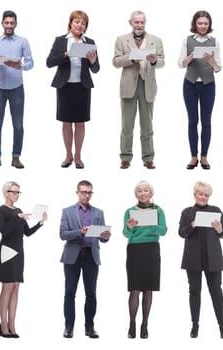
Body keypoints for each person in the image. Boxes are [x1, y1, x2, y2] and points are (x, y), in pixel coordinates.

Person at [47, 10, 100, 169]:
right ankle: (68, 155)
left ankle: (78, 156)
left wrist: (92, 61)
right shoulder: (61, 41)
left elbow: (96, 69)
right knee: (66, 122)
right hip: (65, 86)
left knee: (81, 123)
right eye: (77, 22)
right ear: (70, 23)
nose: (80, 25)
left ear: (86, 27)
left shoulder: (89, 42)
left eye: (83, 23)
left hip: (82, 87)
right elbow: (49, 62)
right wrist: (66, 55)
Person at [113, 11, 164, 170]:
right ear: (130, 23)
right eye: (136, 22)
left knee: (147, 125)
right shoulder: (121, 39)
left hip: (147, 85)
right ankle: (125, 157)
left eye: (142, 22)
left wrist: (155, 60)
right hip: (128, 86)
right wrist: (131, 58)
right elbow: (115, 61)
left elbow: (162, 61)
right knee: (127, 125)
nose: (139, 25)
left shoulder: (156, 40)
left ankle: (148, 158)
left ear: (145, 23)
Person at [60, 180, 111, 339]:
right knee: (70, 293)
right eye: (84, 192)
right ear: (77, 192)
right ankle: (69, 327)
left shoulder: (98, 213)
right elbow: (63, 234)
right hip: (72, 255)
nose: (87, 195)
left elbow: (102, 237)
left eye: (89, 192)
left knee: (91, 293)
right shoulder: (67, 211)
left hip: (91, 255)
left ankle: (90, 327)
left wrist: (106, 236)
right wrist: (80, 232)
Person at [0, 181, 46, 338]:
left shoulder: (19, 210)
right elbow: (4, 231)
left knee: (16, 287)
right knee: (7, 287)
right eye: (14, 192)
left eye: (18, 192)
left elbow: (27, 233)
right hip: (7, 251)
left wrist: (40, 223)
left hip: (19, 252)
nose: (17, 195)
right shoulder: (0, 210)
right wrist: (17, 218)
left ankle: (12, 324)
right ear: (6, 193)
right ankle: (3, 325)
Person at [178, 181, 223, 339]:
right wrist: (192, 225)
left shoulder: (216, 211)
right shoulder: (187, 212)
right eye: (201, 194)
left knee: (216, 292)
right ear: (195, 194)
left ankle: (222, 326)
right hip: (193, 259)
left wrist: (220, 230)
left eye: (206, 195)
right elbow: (181, 233)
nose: (203, 197)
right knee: (194, 292)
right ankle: (195, 325)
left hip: (212, 258)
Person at [0, 10, 34, 169]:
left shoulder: (23, 42)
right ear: (2, 23)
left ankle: (16, 157)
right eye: (7, 23)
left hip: (16, 88)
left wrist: (21, 65)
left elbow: (31, 63)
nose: (9, 25)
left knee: (18, 124)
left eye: (12, 23)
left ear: (16, 24)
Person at [122, 180, 167, 338]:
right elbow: (126, 234)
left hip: (151, 249)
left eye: (146, 190)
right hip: (135, 249)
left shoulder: (158, 210)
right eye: (139, 191)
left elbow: (163, 231)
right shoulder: (129, 211)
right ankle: (132, 323)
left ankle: (145, 324)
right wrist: (130, 227)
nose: (143, 193)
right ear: (136, 194)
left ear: (151, 193)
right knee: (134, 288)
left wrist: (151, 223)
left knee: (148, 288)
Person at [179, 10, 221, 170]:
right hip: (190, 83)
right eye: (200, 23)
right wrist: (188, 59)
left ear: (209, 25)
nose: (203, 26)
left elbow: (219, 67)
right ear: (195, 24)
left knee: (206, 122)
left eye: (205, 23)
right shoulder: (187, 40)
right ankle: (193, 156)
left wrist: (212, 63)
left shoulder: (215, 42)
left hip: (208, 84)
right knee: (192, 121)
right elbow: (179, 63)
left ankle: (204, 156)